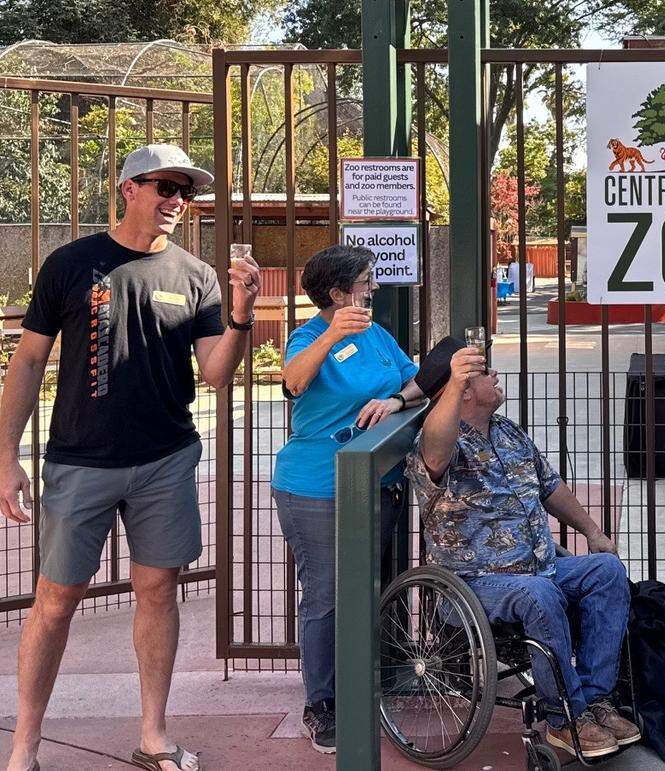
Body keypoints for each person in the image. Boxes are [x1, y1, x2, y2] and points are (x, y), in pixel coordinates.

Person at [0, 144, 259, 771]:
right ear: (128, 189)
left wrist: (242, 313)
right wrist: (6, 458)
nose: (175, 201)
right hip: (78, 461)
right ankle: (24, 748)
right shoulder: (71, 264)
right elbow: (29, 361)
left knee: (157, 590)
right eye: (164, 187)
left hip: (165, 459)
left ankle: (153, 736)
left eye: (185, 192)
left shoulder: (195, 275)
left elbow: (217, 374)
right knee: (55, 600)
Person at [405, 339, 641, 759]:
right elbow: (436, 452)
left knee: (606, 571)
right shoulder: (437, 439)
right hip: (475, 583)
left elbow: (550, 487)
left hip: (540, 567)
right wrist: (458, 379)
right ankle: (562, 718)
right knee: (539, 593)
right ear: (458, 389)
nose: (495, 375)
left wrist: (594, 532)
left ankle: (594, 701)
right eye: (484, 371)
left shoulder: (507, 431)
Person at [271, 244, 423, 754]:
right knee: (326, 593)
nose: (374, 287)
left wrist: (397, 399)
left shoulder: (376, 333)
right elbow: (292, 381)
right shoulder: (308, 335)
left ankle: (357, 686)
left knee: (361, 588)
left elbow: (413, 380)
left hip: (376, 483)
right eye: (365, 280)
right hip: (315, 485)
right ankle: (322, 705)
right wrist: (333, 332)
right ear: (337, 293)